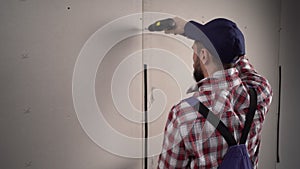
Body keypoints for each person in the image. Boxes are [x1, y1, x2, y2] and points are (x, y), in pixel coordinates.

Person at [157, 17, 273, 169]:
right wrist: (191, 30)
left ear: (203, 55)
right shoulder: (260, 92)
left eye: (195, 50)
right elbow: (240, 59)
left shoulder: (183, 114)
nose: (193, 57)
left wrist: (189, 29)